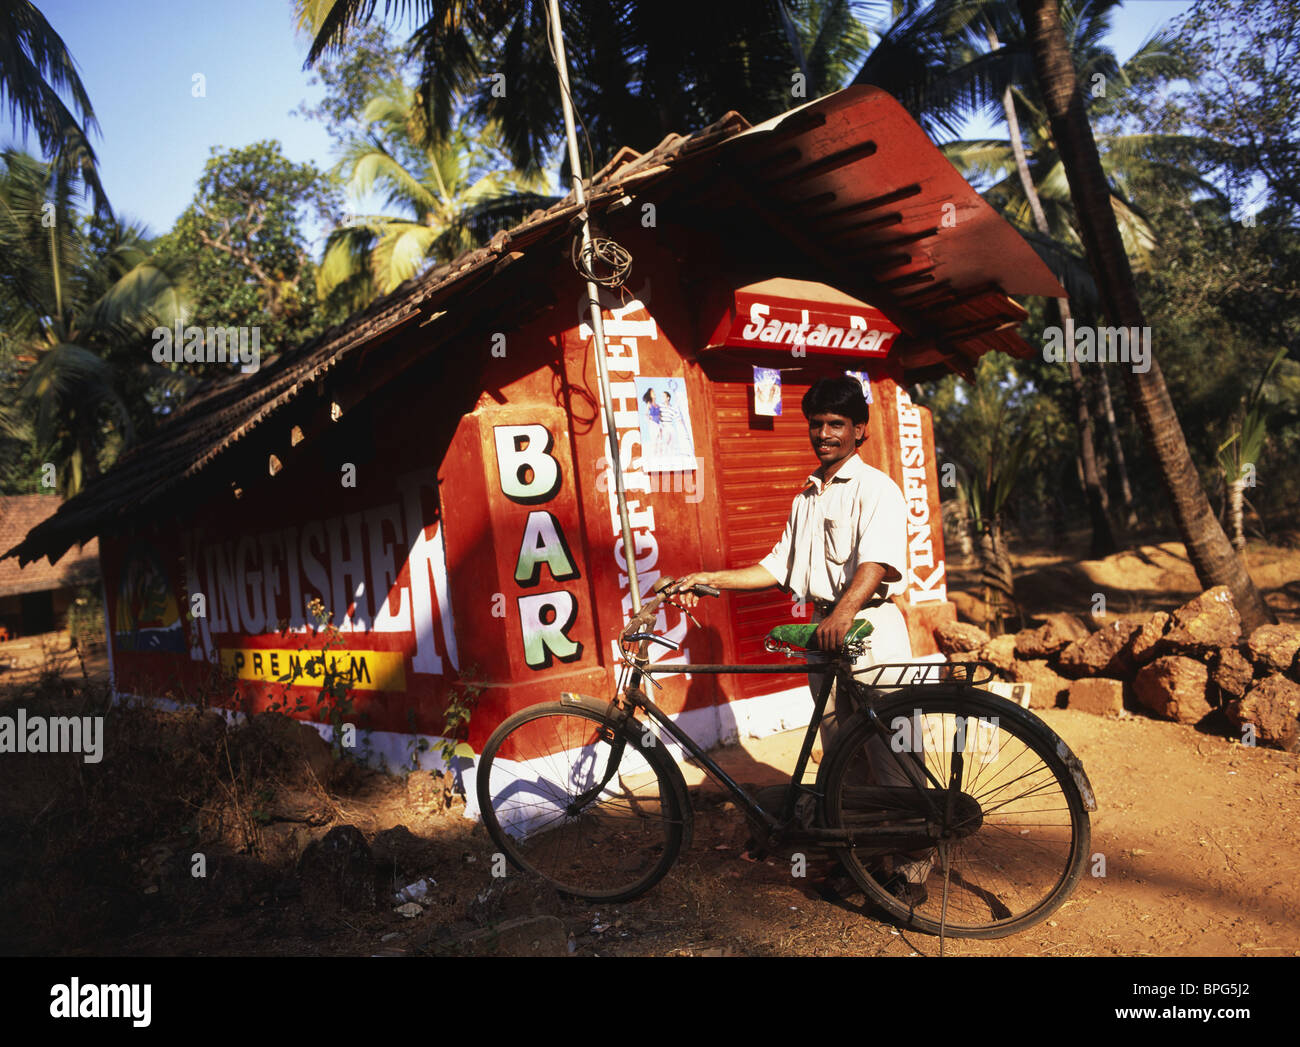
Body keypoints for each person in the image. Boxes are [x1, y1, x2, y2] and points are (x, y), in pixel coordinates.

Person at [675, 375, 932, 902]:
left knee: (893, 752)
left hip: (868, 627)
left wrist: (843, 612)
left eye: (836, 424)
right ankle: (861, 856)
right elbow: (776, 565)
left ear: (859, 430)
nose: (824, 434)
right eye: (816, 425)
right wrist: (710, 579)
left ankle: (913, 867)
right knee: (842, 754)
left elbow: (877, 562)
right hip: (825, 634)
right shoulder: (807, 494)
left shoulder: (876, 488)